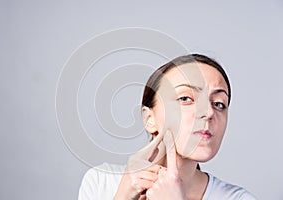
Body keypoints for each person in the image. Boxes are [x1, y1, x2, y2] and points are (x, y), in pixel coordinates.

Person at [78, 54, 257, 199]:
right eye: (186, 98)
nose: (209, 112)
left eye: (219, 103)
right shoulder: (101, 182)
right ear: (149, 118)